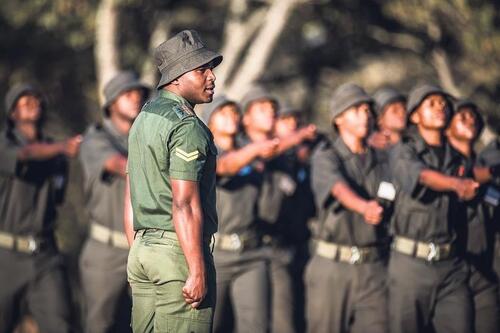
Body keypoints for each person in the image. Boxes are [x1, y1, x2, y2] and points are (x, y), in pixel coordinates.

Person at [124, 30, 222, 333]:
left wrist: (139, 252)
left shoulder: (144, 117)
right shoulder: (186, 126)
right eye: (201, 69)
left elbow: (130, 195)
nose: (212, 77)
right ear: (176, 78)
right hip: (177, 252)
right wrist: (195, 268)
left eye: (211, 69)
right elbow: (185, 203)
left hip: (142, 250)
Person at [388, 84, 478, 333]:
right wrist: (456, 184)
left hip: (452, 267)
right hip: (411, 266)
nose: (440, 107)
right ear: (414, 116)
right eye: (431, 103)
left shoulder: (459, 159)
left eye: (444, 104)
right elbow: (422, 177)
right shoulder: (404, 151)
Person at [306, 83, 392, 333]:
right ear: (339, 118)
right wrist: (364, 206)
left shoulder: (384, 159)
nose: (364, 114)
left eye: (367, 109)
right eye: (356, 109)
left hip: (374, 267)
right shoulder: (326, 156)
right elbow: (338, 189)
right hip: (333, 268)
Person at [0, 83, 81, 332]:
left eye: (36, 99)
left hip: (45, 255)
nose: (33, 103)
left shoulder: (56, 154)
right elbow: (25, 155)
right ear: (13, 113)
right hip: (6, 255)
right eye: (25, 101)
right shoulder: (5, 144)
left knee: (61, 324)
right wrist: (62, 147)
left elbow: (57, 199)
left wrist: (59, 150)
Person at [202, 94, 279, 333]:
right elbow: (226, 166)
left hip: (252, 253)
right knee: (210, 326)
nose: (231, 117)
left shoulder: (251, 153)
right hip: (217, 255)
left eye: (234, 112)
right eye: (223, 113)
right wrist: (257, 149)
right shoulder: (206, 151)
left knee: (256, 327)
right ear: (210, 122)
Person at [79, 71, 149, 333]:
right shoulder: (96, 139)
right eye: (127, 94)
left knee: (146, 324)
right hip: (106, 250)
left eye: (139, 94)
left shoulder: (148, 137)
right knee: (101, 326)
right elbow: (120, 165)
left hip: (145, 248)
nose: (136, 99)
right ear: (110, 104)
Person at [446, 99, 499, 333]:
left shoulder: (487, 160)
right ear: (447, 127)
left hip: (486, 274)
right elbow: (469, 175)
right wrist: (491, 173)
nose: (471, 120)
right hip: (452, 273)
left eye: (474, 116)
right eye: (462, 116)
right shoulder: (441, 166)